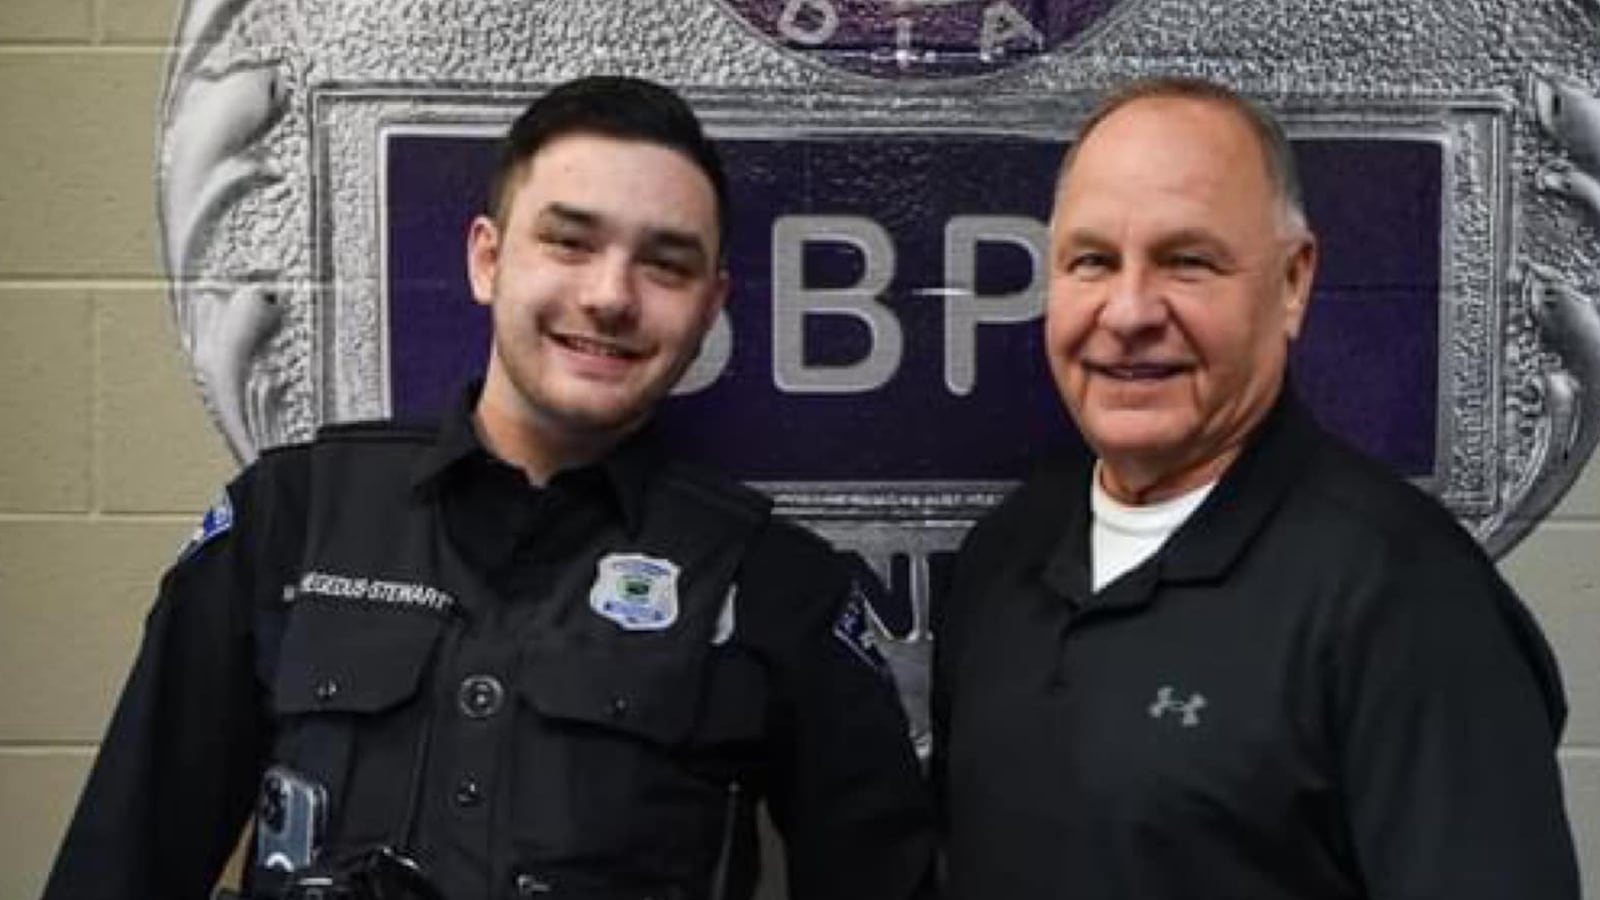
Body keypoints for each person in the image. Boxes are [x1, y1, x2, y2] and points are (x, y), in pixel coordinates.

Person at [45, 75, 934, 900]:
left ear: (709, 307)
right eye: (569, 241)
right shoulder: (290, 520)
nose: (611, 296)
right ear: (487, 259)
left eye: (666, 263)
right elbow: (118, 864)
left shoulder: (778, 585)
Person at [930, 76, 1581, 899]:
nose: (1128, 312)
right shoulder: (1002, 560)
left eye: (1187, 261)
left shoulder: (1403, 596)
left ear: (1293, 282)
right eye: (1092, 261)